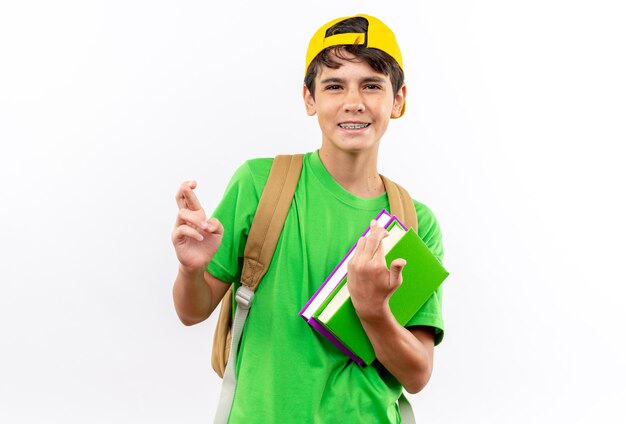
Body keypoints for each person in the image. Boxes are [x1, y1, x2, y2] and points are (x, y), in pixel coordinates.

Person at [171, 14, 445, 423]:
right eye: (334, 86)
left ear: (399, 98)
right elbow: (191, 312)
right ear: (309, 98)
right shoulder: (260, 185)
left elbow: (418, 373)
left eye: (372, 85)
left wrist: (373, 311)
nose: (354, 101)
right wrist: (191, 271)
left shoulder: (413, 222)